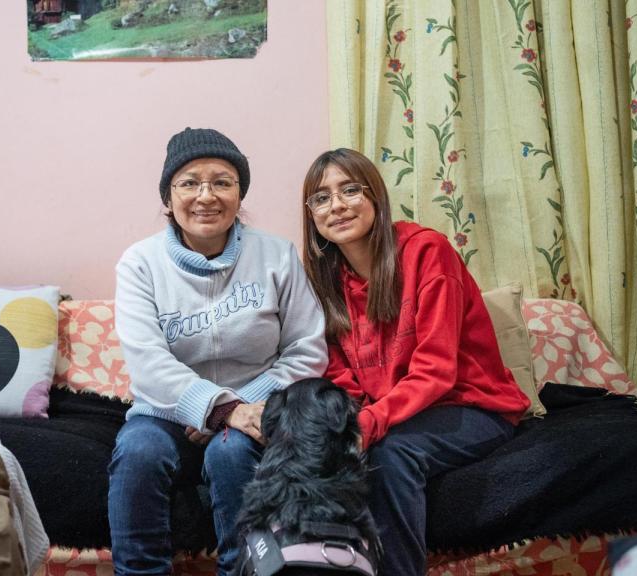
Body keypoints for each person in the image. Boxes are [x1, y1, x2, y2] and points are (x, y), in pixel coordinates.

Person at [300, 148, 530, 576]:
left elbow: (437, 370)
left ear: (375, 197)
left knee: (391, 454)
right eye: (322, 197)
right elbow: (335, 371)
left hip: (472, 405)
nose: (338, 205)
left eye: (350, 190)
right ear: (311, 215)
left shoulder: (426, 252)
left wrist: (368, 424)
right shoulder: (323, 280)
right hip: (393, 413)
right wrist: (344, 425)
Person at [109, 128, 328, 575]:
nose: (205, 195)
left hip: (257, 406)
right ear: (169, 199)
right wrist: (218, 408)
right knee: (138, 453)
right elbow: (148, 363)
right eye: (189, 182)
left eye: (222, 182)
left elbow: (308, 352)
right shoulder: (139, 263)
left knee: (229, 453)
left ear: (238, 194)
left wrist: (240, 406)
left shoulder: (277, 256)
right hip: (166, 414)